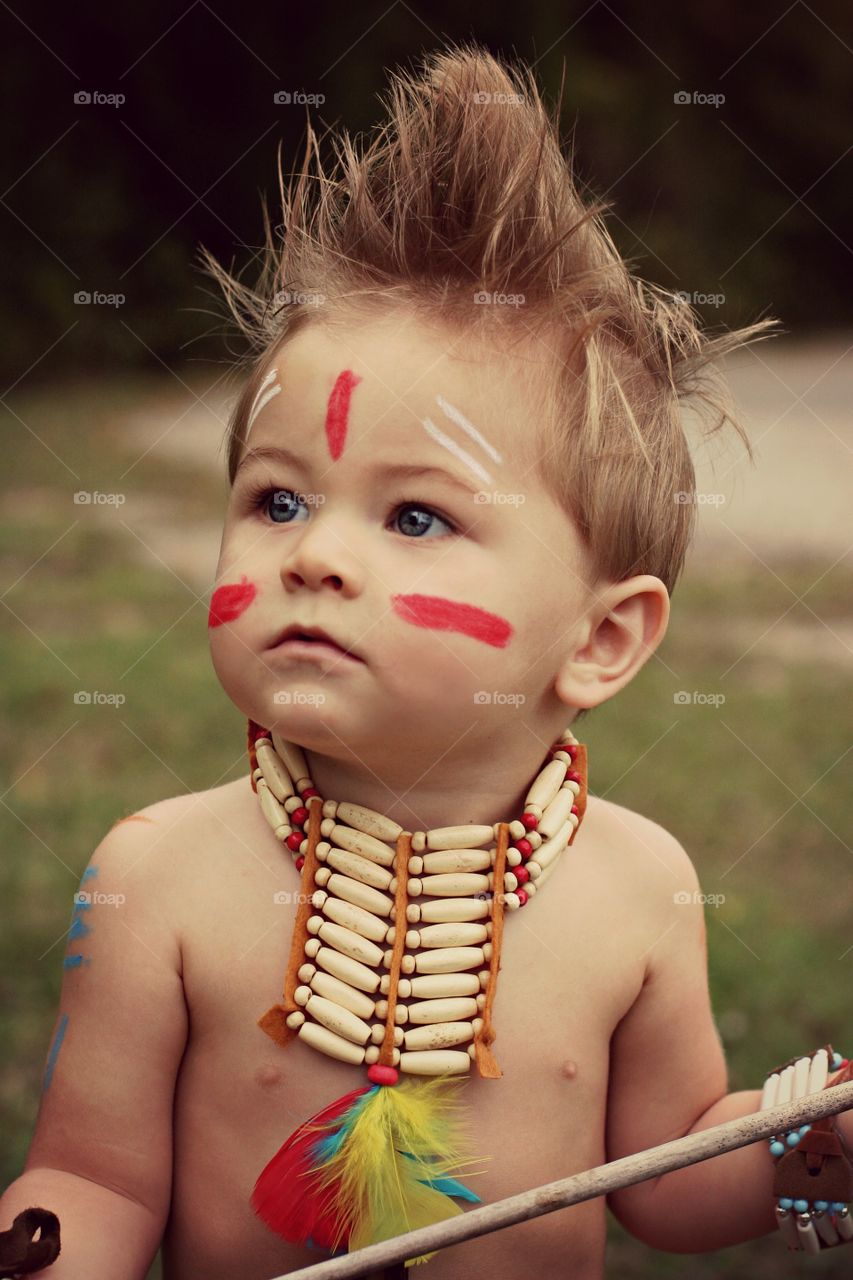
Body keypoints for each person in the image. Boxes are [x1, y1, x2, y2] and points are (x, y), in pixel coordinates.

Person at [2, 40, 846, 1280]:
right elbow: (90, 1176)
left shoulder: (637, 885)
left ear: (601, 638)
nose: (315, 557)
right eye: (278, 500)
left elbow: (666, 1174)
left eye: (413, 518)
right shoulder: (155, 877)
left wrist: (804, 1140)